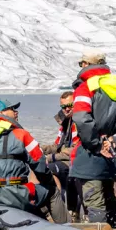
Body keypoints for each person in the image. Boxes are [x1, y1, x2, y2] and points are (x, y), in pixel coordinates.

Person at [69, 52, 116, 226]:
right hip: (113, 155)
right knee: (110, 200)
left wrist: (96, 144)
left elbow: (81, 118)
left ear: (86, 64)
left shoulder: (86, 87)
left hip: (91, 154)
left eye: (81, 63)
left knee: (94, 202)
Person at [38, 91, 83, 221]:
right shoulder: (65, 123)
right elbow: (57, 145)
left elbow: (75, 149)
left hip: (75, 161)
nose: (66, 109)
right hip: (66, 159)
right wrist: (41, 149)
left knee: (49, 168)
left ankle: (60, 208)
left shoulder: (78, 123)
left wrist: (51, 157)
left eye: (70, 105)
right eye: (63, 107)